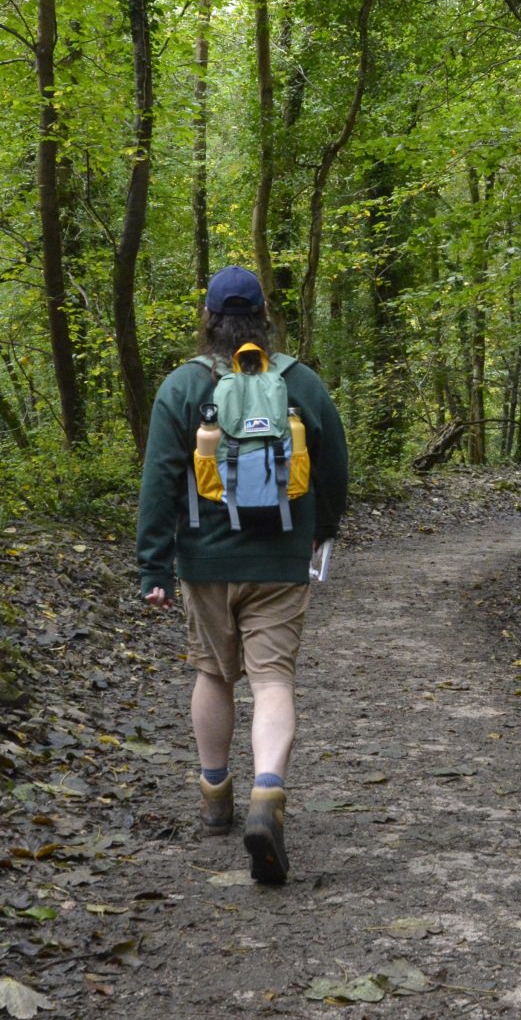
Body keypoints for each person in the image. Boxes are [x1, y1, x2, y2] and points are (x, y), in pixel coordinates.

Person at [136, 265, 348, 884]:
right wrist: (322, 528)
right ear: (262, 316)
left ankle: (214, 796)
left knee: (212, 671)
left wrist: (153, 563)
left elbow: (159, 480)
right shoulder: (299, 381)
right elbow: (333, 464)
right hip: (280, 558)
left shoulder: (182, 386)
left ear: (207, 318)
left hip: (204, 560)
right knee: (273, 679)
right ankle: (267, 795)